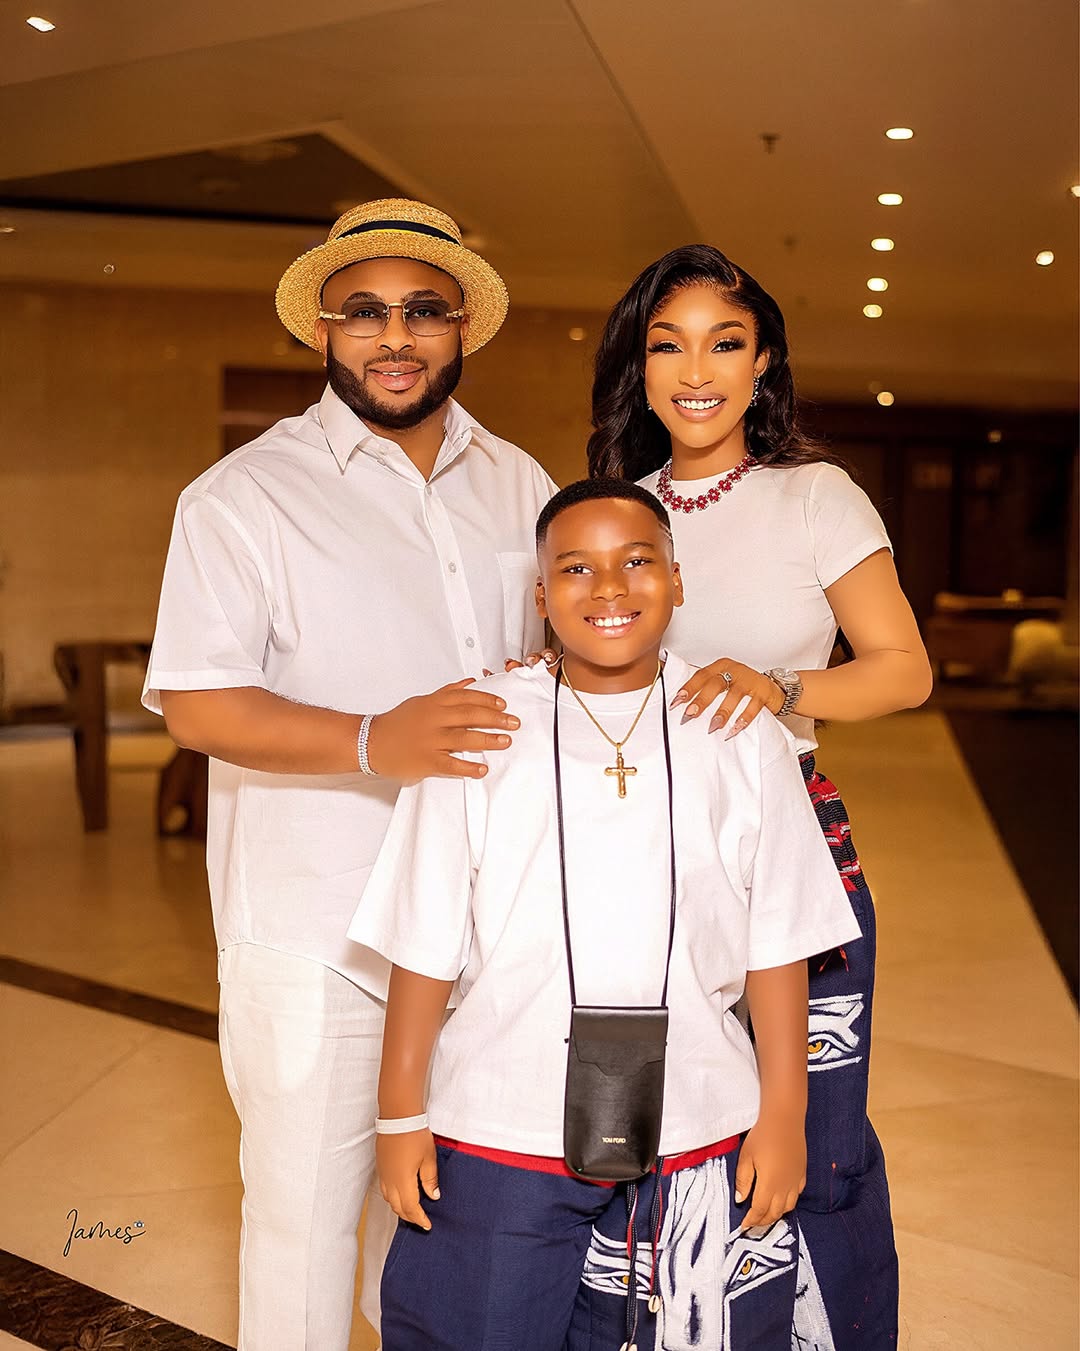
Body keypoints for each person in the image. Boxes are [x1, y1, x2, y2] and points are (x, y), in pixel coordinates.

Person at [141, 197, 557, 1351]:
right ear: (321, 331)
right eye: (363, 311)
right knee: (304, 1232)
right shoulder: (243, 497)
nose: (395, 336)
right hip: (316, 931)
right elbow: (196, 702)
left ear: (462, 322)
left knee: (438, 1231)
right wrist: (377, 738)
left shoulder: (521, 486)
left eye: (423, 309)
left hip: (480, 930)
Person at [348, 477, 862, 1351]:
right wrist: (400, 1113)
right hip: (502, 1121)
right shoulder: (479, 725)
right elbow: (425, 936)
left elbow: (777, 939)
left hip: (701, 1122)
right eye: (577, 568)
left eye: (637, 561)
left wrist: (783, 1112)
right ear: (541, 595)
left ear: (678, 577)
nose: (611, 588)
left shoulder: (743, 735)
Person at [587, 244, 934, 1347]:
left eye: (725, 342)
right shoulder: (611, 511)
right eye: (668, 341)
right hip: (636, 859)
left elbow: (902, 669)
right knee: (649, 1129)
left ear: (764, 361)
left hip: (791, 849)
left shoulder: (814, 496)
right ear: (639, 367)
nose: (697, 368)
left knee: (813, 1140)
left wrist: (778, 683)